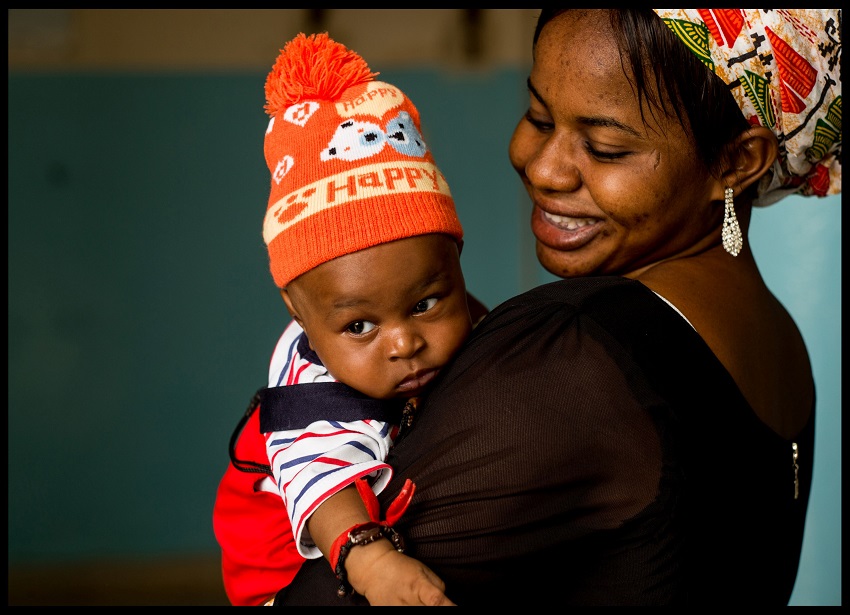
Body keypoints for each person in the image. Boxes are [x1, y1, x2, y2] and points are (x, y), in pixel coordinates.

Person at [262, 9, 841, 606]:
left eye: (605, 147)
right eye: (539, 116)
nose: (541, 166)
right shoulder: (777, 338)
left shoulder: (576, 352)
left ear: (737, 162)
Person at [212, 32, 487, 606]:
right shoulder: (311, 392)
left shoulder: (466, 321)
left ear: (455, 262)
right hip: (281, 571)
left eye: (426, 303)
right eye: (361, 326)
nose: (405, 342)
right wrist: (372, 561)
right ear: (298, 312)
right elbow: (323, 480)